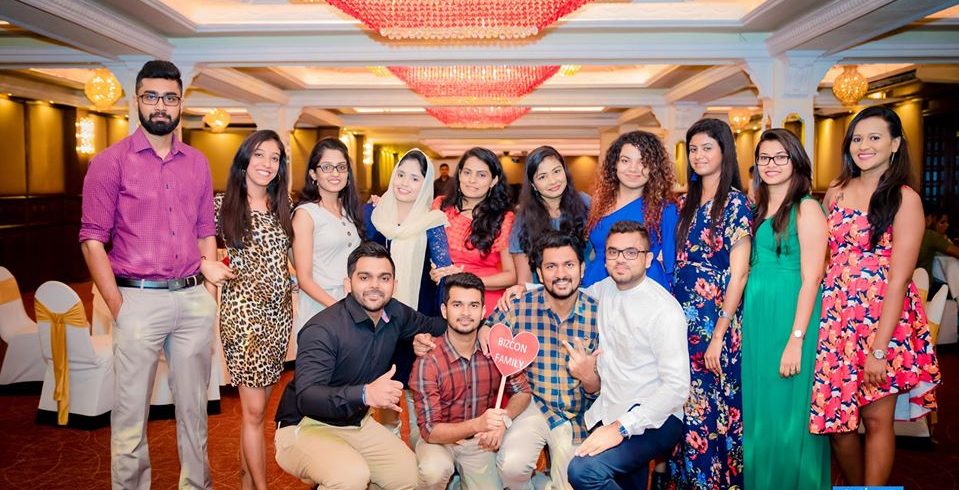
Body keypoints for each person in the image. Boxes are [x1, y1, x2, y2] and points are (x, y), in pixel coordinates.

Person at [79, 59, 231, 489]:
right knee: (130, 419)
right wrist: (118, 307)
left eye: (169, 97)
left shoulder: (197, 163)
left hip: (192, 299)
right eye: (151, 96)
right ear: (137, 101)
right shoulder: (110, 163)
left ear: (181, 103)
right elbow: (92, 240)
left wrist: (208, 299)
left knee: (195, 415)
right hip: (137, 300)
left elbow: (205, 232)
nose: (160, 105)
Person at [809, 106, 940, 486]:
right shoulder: (836, 191)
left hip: (884, 323)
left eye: (874, 138)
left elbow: (899, 280)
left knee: (876, 419)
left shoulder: (904, 198)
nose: (863, 146)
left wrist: (879, 350)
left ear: (895, 144)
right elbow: (823, 254)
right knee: (837, 425)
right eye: (857, 138)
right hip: (836, 322)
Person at [273, 242, 447, 489]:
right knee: (352, 476)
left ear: (394, 285)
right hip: (304, 425)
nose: (375, 285)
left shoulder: (395, 313)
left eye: (384, 278)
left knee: (412, 480)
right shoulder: (322, 329)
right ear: (348, 284)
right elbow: (307, 397)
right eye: (365, 277)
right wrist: (365, 393)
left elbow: (435, 326)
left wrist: (483, 327)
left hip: (356, 424)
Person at [567, 221, 689, 490]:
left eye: (631, 252)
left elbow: (677, 389)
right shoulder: (604, 289)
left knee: (583, 471)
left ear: (648, 260)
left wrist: (621, 427)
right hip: (611, 407)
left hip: (655, 417)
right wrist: (523, 290)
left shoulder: (664, 310)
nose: (620, 259)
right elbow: (568, 297)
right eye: (613, 252)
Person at [741, 129, 830, 490]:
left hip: (790, 318)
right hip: (758, 319)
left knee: (787, 416)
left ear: (796, 161)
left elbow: (813, 278)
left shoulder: (806, 208)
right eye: (764, 157)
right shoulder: (757, 207)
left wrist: (796, 339)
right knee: (761, 412)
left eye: (781, 157)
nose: (771, 164)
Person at [669, 118, 751, 490]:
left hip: (715, 322)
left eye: (707, 148)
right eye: (693, 149)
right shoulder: (683, 203)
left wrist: (718, 334)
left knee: (710, 412)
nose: (699, 155)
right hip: (680, 320)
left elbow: (739, 274)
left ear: (724, 152)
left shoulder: (735, 203)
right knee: (683, 407)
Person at [488, 231, 600, 490]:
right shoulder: (521, 306)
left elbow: (605, 387)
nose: (561, 274)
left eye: (569, 265)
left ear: (582, 269)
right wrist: (484, 330)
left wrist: (589, 378)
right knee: (510, 467)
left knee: (572, 482)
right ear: (539, 273)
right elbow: (489, 329)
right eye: (551, 266)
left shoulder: (599, 314)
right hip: (536, 406)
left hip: (579, 414)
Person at [213, 129, 293, 490]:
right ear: (244, 159)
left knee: (258, 413)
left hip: (279, 317)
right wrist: (204, 263)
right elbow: (185, 241)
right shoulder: (222, 205)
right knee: (254, 411)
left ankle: (247, 483)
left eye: (274, 158)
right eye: (259, 155)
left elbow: (289, 257)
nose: (267, 164)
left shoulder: (283, 205)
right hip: (243, 316)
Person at [411, 272, 532, 490]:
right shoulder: (428, 360)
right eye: (457, 305)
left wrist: (503, 420)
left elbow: (522, 392)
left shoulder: (494, 350)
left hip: (478, 444)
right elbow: (430, 431)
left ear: (483, 311)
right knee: (434, 470)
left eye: (473, 305)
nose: (466, 313)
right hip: (438, 441)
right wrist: (478, 424)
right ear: (444, 311)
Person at [364, 148, 453, 437]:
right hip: (377, 323)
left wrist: (442, 274)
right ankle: (390, 454)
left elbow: (444, 271)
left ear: (425, 185)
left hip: (417, 324)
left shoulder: (433, 222)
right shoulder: (374, 214)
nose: (404, 183)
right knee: (385, 394)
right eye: (401, 175)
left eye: (415, 179)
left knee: (417, 395)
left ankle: (421, 455)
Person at [582, 131, 678, 290]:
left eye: (643, 162)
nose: (633, 169)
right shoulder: (599, 203)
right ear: (615, 164)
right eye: (625, 160)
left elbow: (671, 265)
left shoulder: (665, 208)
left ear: (654, 168)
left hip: (642, 288)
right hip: (597, 283)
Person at [292, 137, 364, 339]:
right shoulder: (306, 214)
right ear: (313, 174)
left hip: (352, 302)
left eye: (341, 167)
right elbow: (304, 279)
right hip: (321, 307)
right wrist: (341, 309)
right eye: (326, 167)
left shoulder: (349, 211)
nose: (335, 173)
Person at [435, 147, 516, 316]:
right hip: (444, 299)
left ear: (493, 180)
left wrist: (466, 278)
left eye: (481, 175)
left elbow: (511, 275)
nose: (472, 180)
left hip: (485, 303)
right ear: (459, 174)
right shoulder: (440, 207)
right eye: (467, 172)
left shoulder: (502, 219)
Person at [509, 146, 590, 286]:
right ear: (533, 184)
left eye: (556, 171)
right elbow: (524, 281)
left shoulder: (586, 204)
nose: (552, 181)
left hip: (586, 288)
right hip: (544, 293)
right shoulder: (523, 219)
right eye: (542, 177)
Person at [917, 204, 959, 277]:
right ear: (929, 218)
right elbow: (956, 252)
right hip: (925, 282)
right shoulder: (930, 235)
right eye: (942, 222)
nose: (947, 225)